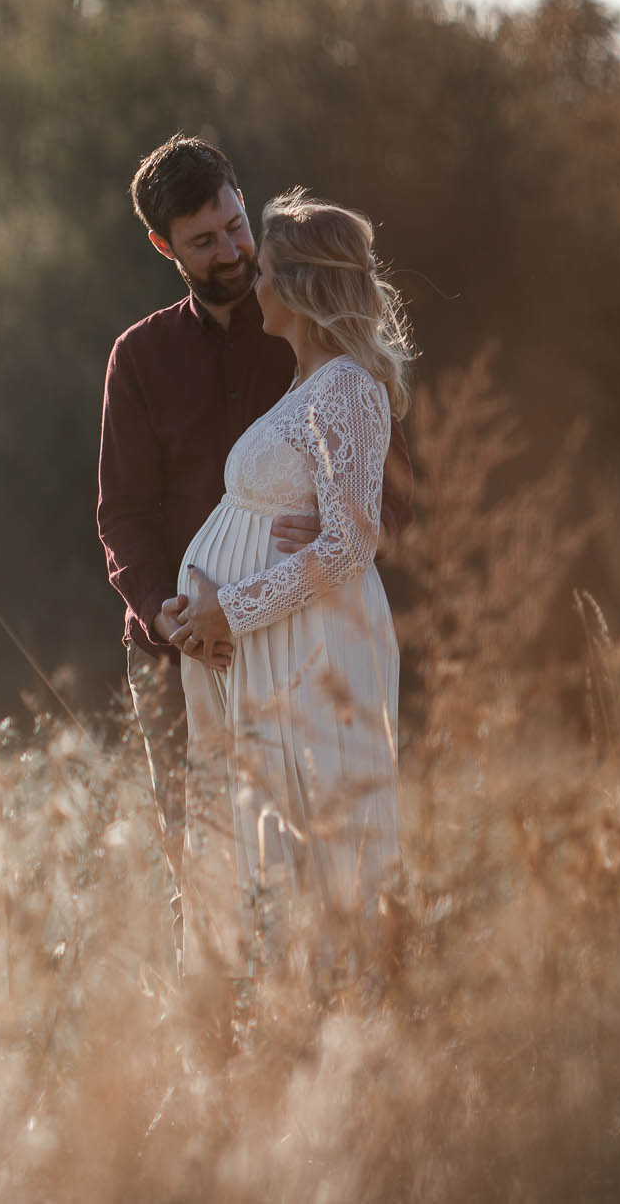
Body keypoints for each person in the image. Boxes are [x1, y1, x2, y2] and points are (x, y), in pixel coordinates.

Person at [96, 135, 411, 971]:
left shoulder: (302, 329)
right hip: (173, 647)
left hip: (295, 645)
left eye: (237, 226)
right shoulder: (141, 357)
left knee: (301, 849)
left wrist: (352, 532)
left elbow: (384, 487)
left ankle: (311, 1036)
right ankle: (217, 1060)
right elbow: (121, 516)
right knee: (200, 856)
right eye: (205, 240)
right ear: (166, 246)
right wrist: (174, 618)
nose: (234, 251)